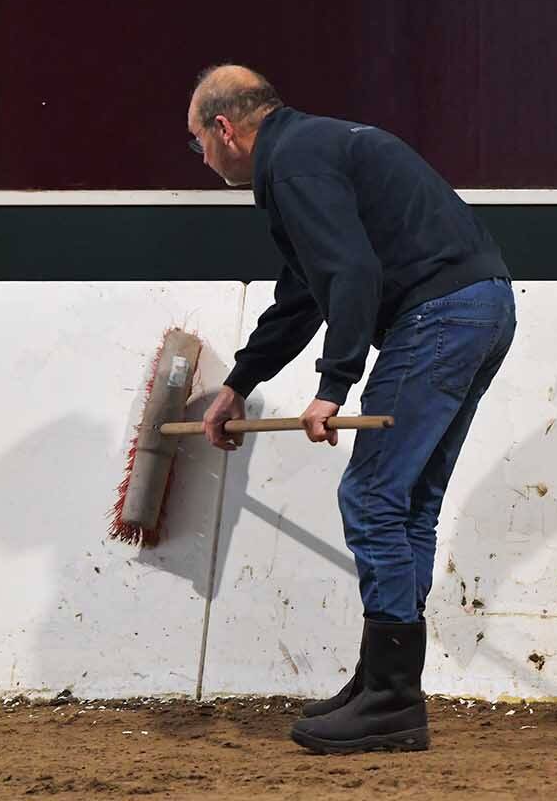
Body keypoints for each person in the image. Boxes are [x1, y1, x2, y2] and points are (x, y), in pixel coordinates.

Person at [188, 64, 516, 754]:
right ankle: (382, 683)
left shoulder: (294, 164)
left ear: (225, 129)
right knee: (408, 504)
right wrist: (239, 383)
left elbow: (352, 273)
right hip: (482, 306)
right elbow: (303, 293)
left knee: (372, 496)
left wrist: (333, 385)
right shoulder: (313, 149)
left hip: (438, 315)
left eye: (199, 143)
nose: (204, 158)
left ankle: (392, 700)